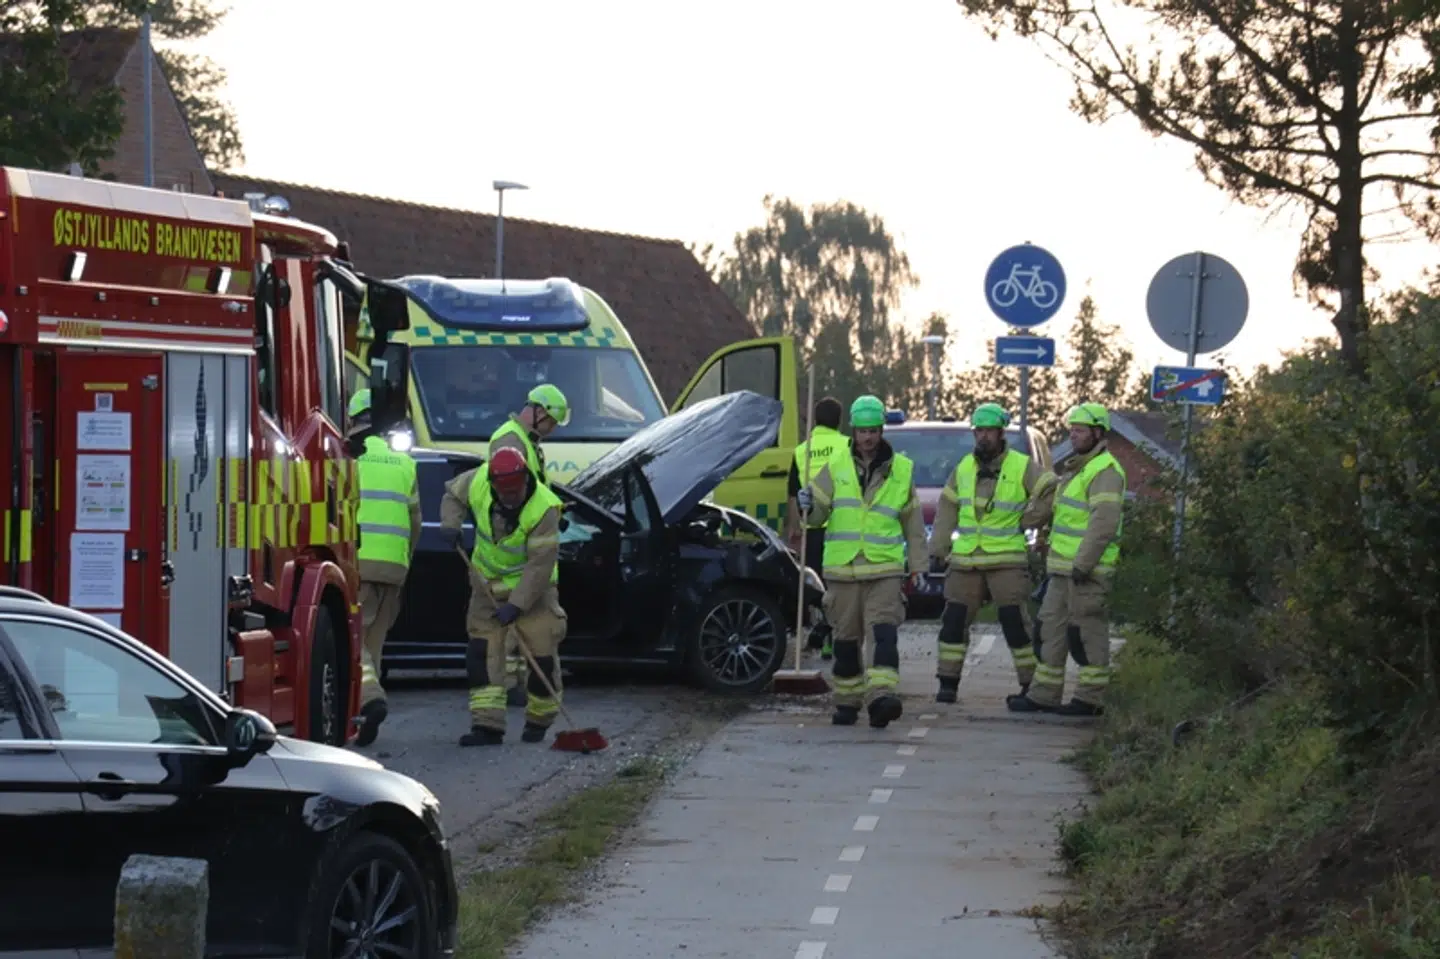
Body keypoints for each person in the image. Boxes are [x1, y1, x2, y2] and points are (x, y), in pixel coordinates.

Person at [797, 394, 927, 729]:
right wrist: (806, 503)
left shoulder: (902, 470)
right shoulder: (837, 465)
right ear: (853, 431)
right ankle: (846, 701)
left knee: (883, 634)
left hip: (883, 568)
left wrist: (918, 565)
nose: (867, 437)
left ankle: (881, 697)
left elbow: (912, 523)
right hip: (843, 570)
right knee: (846, 639)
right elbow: (816, 517)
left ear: (882, 430)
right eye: (862, 431)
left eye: (873, 430)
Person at [438, 446, 568, 745]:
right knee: (483, 655)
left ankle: (539, 721)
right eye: (506, 493)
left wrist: (516, 605)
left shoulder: (544, 508)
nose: (512, 498)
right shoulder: (480, 480)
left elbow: (540, 566)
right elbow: (452, 495)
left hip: (533, 593)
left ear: (525, 479)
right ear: (495, 486)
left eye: (517, 492)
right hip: (487, 585)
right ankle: (487, 726)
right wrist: (450, 524)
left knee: (542, 657)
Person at [927, 403, 1055, 704]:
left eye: (989, 432)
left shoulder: (1021, 466)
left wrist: (1031, 520)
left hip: (1005, 561)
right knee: (954, 621)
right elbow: (947, 508)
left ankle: (1029, 684)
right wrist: (940, 546)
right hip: (966, 560)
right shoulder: (964, 468)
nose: (983, 438)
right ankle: (947, 683)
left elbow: (1050, 488)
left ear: (1001, 434)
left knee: (1014, 622)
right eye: (979, 431)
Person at [1008, 403, 1126, 717]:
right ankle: (1044, 695)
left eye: (1080, 430)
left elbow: (1103, 523)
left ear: (1098, 433)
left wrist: (1083, 564)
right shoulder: (1076, 470)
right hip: (1061, 571)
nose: (1073, 435)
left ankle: (1090, 699)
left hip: (1087, 572)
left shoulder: (1105, 471)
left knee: (1088, 633)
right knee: (1051, 630)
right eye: (1071, 429)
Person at [347, 389, 421, 747]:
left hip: (357, 564)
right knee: (373, 646)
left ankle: (370, 700)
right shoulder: (404, 461)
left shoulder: (350, 457)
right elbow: (415, 520)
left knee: (353, 641)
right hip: (394, 568)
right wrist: (404, 561)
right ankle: (362, 722)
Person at [489, 382, 570, 703]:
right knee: (512, 628)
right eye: (550, 422)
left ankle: (521, 687)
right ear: (537, 412)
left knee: (523, 626)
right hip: (516, 552)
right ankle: (510, 689)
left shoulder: (525, 441)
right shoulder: (511, 441)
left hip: (523, 546)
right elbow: (510, 497)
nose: (551, 430)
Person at [782, 396, 848, 659]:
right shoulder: (846, 445)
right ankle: (832, 634)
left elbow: (791, 491)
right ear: (839, 421)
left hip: (813, 524)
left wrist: (794, 525)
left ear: (815, 420)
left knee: (818, 584)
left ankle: (824, 627)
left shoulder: (802, 449)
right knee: (839, 583)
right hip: (842, 524)